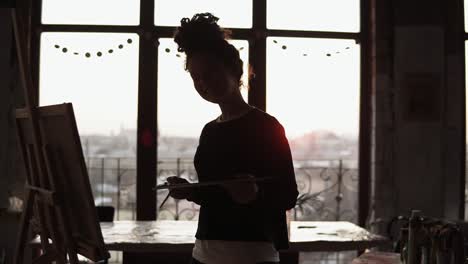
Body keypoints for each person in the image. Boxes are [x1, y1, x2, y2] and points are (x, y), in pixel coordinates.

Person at [166, 12, 299, 264]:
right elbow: (217, 194)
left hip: (252, 256)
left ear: (235, 70)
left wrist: (255, 194)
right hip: (203, 253)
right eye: (196, 77)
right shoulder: (209, 130)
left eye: (210, 73)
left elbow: (288, 195)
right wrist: (189, 190)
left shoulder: (267, 127)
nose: (203, 83)